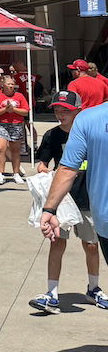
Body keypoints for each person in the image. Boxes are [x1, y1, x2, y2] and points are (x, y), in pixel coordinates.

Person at [28, 91, 108, 312]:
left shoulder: (91, 128)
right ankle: (51, 292)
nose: (60, 114)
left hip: (88, 199)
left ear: (78, 111)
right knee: (57, 243)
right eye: (56, 109)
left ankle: (94, 288)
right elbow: (43, 163)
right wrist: (47, 173)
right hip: (63, 201)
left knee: (91, 245)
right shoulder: (52, 136)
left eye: (65, 110)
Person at [0, 75, 29, 185]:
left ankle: (16, 173)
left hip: (16, 125)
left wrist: (14, 109)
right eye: (9, 84)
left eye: (12, 84)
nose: (11, 86)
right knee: (1, 148)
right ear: (3, 85)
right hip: (2, 125)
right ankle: (1, 173)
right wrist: (5, 110)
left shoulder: (19, 96)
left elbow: (25, 111)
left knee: (15, 150)